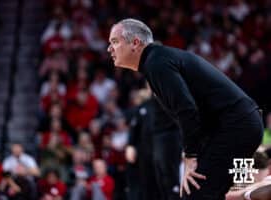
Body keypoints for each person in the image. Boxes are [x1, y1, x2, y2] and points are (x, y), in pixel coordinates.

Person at [107, 18, 263, 200]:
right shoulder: (158, 60)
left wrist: (191, 156)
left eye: (115, 42)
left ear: (135, 43)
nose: (109, 49)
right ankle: (260, 192)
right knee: (229, 194)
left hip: (237, 128)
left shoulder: (156, 63)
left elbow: (187, 110)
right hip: (242, 126)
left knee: (196, 194)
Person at [126, 86, 182, 200]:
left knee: (168, 181)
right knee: (149, 184)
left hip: (167, 149)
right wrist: (130, 145)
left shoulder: (171, 104)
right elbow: (134, 128)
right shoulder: (143, 107)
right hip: (146, 153)